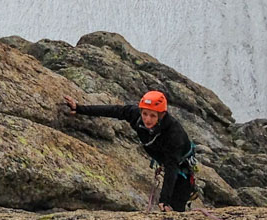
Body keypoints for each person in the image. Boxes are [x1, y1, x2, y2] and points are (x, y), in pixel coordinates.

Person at [64, 89, 196, 211]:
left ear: (161, 115)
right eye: (145, 114)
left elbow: (171, 167)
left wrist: (164, 200)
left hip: (181, 168)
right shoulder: (136, 115)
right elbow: (113, 110)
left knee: (176, 208)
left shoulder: (174, 134)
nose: (147, 119)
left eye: (152, 116)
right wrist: (80, 108)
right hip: (165, 159)